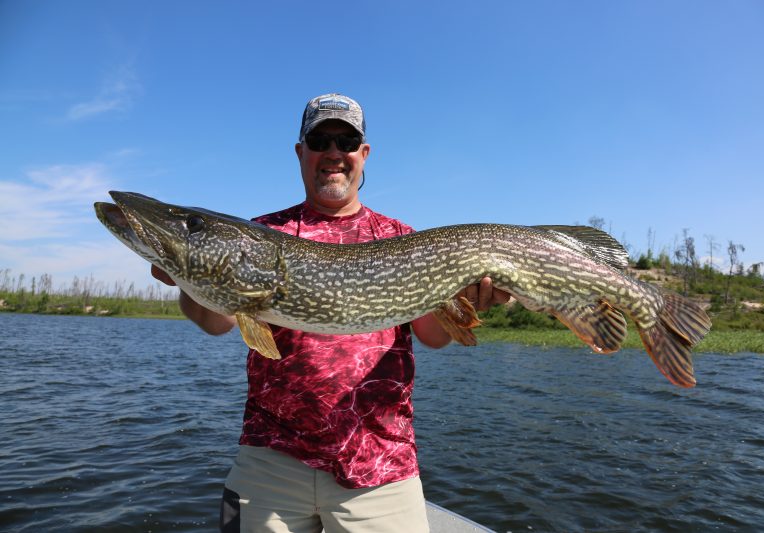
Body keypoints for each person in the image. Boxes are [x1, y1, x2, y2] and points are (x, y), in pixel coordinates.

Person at [152, 93, 509, 533]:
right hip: (271, 459)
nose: (333, 152)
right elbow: (214, 321)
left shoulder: (398, 236)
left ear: (364, 153)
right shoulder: (264, 233)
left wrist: (471, 301)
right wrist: (190, 275)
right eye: (320, 140)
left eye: (347, 140)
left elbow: (432, 335)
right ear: (301, 152)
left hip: (380, 462)